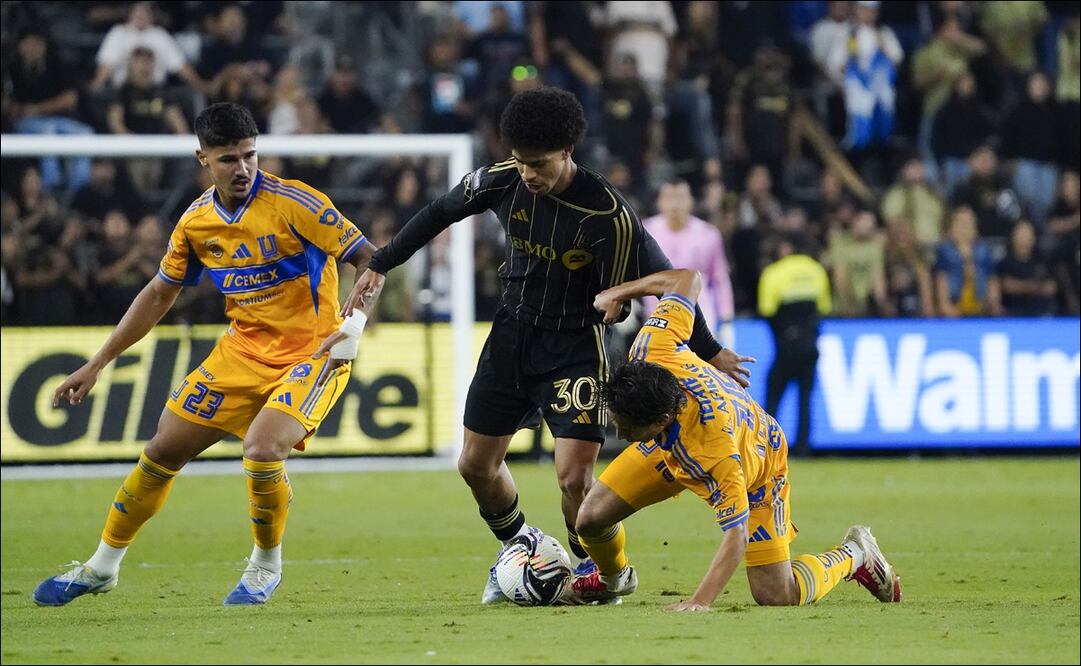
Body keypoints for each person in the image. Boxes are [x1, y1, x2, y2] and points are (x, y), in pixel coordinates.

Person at [341, 86, 753, 604]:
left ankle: (606, 571)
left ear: (567, 152)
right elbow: (439, 211)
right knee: (474, 465)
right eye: (519, 161)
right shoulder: (502, 180)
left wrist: (709, 347)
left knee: (573, 479)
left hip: (574, 345)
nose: (527, 174)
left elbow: (665, 275)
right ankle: (522, 546)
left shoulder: (608, 216)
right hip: (511, 334)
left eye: (537, 163)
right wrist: (380, 262)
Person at [32, 103, 378, 607]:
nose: (242, 169)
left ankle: (264, 566)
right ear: (203, 159)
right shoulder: (196, 223)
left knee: (262, 450)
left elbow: (371, 259)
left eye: (250, 156)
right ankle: (102, 566)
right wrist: (97, 362)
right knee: (160, 453)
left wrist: (355, 327)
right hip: (240, 352)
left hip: (314, 353)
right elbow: (157, 294)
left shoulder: (297, 203)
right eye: (228, 160)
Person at [570, 267, 901, 608]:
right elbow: (686, 279)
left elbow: (736, 535)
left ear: (660, 420)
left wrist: (700, 601)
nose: (621, 435)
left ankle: (855, 554)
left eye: (629, 430)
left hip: (758, 462)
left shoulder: (716, 454)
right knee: (590, 518)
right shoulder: (652, 346)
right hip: (675, 443)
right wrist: (621, 291)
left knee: (776, 595)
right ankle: (614, 580)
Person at [642, 179, 734, 340]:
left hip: (700, 316)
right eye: (670, 198)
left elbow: (720, 278)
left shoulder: (708, 234)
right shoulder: (646, 232)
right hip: (656, 316)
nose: (675, 205)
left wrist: (726, 319)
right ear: (659, 202)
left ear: (691, 201)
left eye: (681, 198)